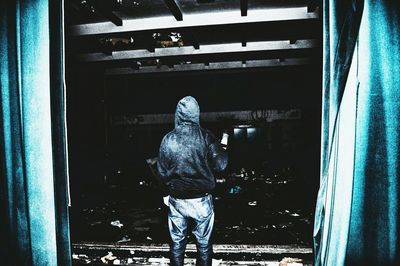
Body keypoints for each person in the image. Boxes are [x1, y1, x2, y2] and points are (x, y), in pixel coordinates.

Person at [157, 96, 228, 266]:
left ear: (178, 114)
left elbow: (161, 172)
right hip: (201, 201)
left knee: (176, 244)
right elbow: (221, 166)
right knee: (203, 245)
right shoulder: (206, 137)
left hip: (177, 200)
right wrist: (223, 147)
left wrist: (167, 191)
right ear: (196, 114)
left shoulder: (168, 139)